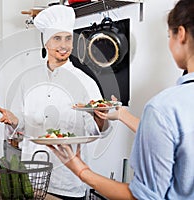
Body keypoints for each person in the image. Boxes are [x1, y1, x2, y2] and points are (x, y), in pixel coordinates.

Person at [48, 0, 194, 199]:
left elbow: (145, 197)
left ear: (182, 34)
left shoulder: (163, 107)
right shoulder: (167, 110)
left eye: (169, 36)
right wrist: (122, 114)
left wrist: (81, 170)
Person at [0, 5, 111, 199]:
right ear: (46, 42)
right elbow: (21, 124)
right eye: (57, 38)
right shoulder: (28, 80)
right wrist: (14, 120)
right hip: (34, 176)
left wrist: (101, 118)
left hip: (68, 178)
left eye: (68, 38)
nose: (63, 45)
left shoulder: (85, 82)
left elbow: (96, 130)